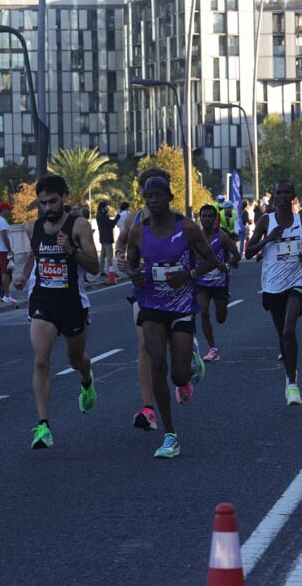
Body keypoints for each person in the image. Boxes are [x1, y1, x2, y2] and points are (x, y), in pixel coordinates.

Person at [126, 175, 219, 458]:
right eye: (148, 197)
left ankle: (189, 362)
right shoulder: (138, 231)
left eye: (158, 196)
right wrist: (135, 276)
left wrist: (189, 274)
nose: (153, 201)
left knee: (178, 377)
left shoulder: (187, 228)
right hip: (153, 304)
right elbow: (130, 265)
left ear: (169, 198)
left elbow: (211, 261)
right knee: (156, 364)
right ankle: (169, 435)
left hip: (180, 306)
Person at [12, 175, 100, 449]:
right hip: (43, 302)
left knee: (75, 360)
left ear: (64, 198)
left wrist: (71, 250)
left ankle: (86, 378)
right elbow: (34, 254)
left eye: (52, 201)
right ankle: (43, 426)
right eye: (42, 203)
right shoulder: (32, 227)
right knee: (41, 361)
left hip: (72, 303)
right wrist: (24, 276)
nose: (47, 208)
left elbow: (95, 267)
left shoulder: (79, 226)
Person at [245, 179, 302, 406]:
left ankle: (292, 383)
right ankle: (290, 372)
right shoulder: (266, 221)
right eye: (279, 193)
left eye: (287, 193)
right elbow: (248, 252)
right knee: (281, 336)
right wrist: (268, 238)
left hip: (298, 278)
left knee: (288, 330)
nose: (283, 197)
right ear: (274, 197)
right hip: (273, 285)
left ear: (293, 197)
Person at [115, 168, 176, 433]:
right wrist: (119, 257)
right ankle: (148, 408)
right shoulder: (133, 219)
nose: (151, 195)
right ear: (141, 191)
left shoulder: (179, 221)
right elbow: (121, 244)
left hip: (172, 291)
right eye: (146, 189)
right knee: (144, 345)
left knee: (169, 345)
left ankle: (188, 355)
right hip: (143, 289)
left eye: (158, 190)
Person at [196, 203, 241, 362]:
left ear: (216, 218)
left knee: (221, 318)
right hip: (202, 282)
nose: (206, 219)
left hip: (220, 282)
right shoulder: (196, 237)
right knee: (203, 310)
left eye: (210, 216)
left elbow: (236, 256)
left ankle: (225, 298)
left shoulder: (221, 236)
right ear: (200, 218)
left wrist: (227, 265)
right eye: (204, 216)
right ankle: (212, 348)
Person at [0, 201, 16, 304]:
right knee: (6, 273)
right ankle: (6, 295)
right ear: (4, 210)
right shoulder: (2, 222)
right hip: (4, 250)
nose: (10, 212)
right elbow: (5, 236)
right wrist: (10, 250)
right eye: (8, 210)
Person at [95, 201, 116, 275]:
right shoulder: (104, 216)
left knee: (102, 256)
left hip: (102, 238)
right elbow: (112, 223)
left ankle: (101, 271)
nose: (108, 209)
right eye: (106, 207)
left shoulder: (98, 216)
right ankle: (111, 271)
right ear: (103, 208)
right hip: (107, 238)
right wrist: (118, 216)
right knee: (109, 256)